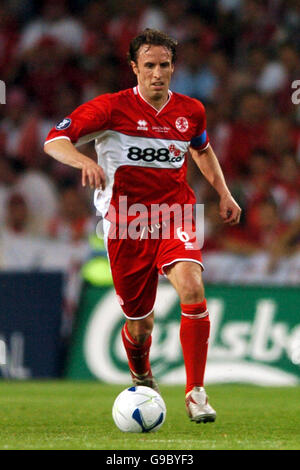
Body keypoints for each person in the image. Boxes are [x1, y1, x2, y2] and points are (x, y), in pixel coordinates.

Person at [44, 29, 241, 424]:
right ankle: (140, 372)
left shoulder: (191, 110)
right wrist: (83, 161)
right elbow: (54, 140)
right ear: (134, 68)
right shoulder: (109, 109)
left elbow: (202, 149)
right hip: (127, 225)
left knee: (191, 284)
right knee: (139, 325)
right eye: (148, 65)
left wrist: (224, 192)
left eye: (164, 65)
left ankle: (196, 393)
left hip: (175, 216)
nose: (157, 73)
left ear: (173, 67)